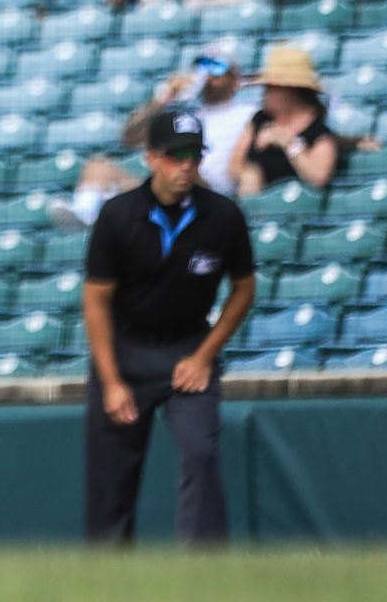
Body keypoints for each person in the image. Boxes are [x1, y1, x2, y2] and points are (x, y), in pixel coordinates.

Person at [82, 110, 256, 544]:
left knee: (200, 451)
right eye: (176, 156)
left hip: (188, 349)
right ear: (151, 157)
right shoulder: (117, 216)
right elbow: (96, 302)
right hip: (126, 351)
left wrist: (203, 357)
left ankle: (203, 575)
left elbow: (244, 289)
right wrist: (112, 381)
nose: (186, 166)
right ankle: (107, 580)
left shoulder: (223, 216)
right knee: (112, 478)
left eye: (195, 156)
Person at [51, 45, 260, 228]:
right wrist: (164, 98)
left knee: (183, 159)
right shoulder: (186, 113)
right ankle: (86, 216)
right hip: (171, 182)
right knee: (97, 167)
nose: (209, 75)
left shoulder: (248, 114)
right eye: (204, 66)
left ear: (235, 80)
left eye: (218, 68)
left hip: (208, 190)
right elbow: (130, 137)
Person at [231, 45, 338, 195]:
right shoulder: (259, 119)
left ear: (289, 91)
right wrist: (248, 173)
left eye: (271, 88)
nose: (265, 93)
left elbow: (318, 177)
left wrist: (289, 143)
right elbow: (234, 163)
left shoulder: (319, 133)